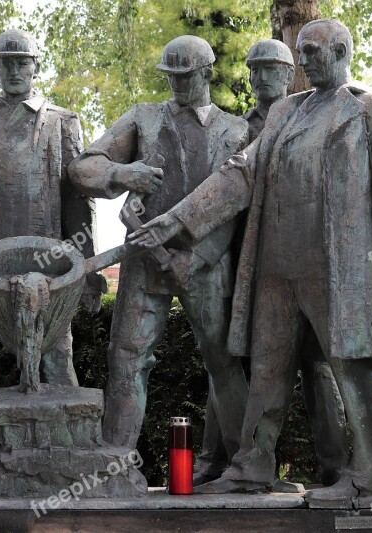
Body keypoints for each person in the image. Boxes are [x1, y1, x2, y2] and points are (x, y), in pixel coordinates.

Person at [131, 20, 372, 499]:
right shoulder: (285, 112)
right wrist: (175, 221)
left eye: (311, 51)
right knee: (267, 368)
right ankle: (252, 465)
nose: (304, 60)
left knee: (354, 368)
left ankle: (368, 479)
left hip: (343, 268)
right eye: (301, 51)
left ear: (341, 51)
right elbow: (240, 173)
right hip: (275, 266)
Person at [0, 29, 104, 488]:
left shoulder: (62, 123)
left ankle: (77, 452)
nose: (14, 69)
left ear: (35, 64)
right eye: (6, 61)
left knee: (55, 358)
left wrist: (84, 268)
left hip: (46, 268)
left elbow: (77, 201)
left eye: (22, 61)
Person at [68, 35, 250, 457]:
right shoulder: (143, 118)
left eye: (186, 77)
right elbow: (82, 169)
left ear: (207, 73)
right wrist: (123, 174)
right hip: (143, 262)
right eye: (171, 77)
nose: (177, 85)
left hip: (207, 264)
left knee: (223, 361)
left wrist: (199, 257)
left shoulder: (236, 130)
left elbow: (239, 209)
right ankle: (117, 458)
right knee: (127, 357)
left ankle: (246, 464)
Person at [194, 38, 349, 488]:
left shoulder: (305, 116)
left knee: (318, 371)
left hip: (304, 264)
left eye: (270, 69)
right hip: (248, 266)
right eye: (253, 69)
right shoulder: (235, 128)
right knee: (231, 367)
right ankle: (222, 461)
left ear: (289, 74)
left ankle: (336, 466)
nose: (260, 77)